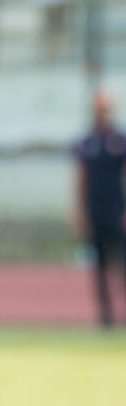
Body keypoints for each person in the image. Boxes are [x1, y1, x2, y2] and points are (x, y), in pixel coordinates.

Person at [72, 91, 126, 328]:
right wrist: (80, 212)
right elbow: (80, 179)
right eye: (98, 108)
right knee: (100, 266)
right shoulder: (87, 142)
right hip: (96, 210)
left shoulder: (119, 140)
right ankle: (106, 318)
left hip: (117, 209)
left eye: (105, 108)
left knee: (122, 264)